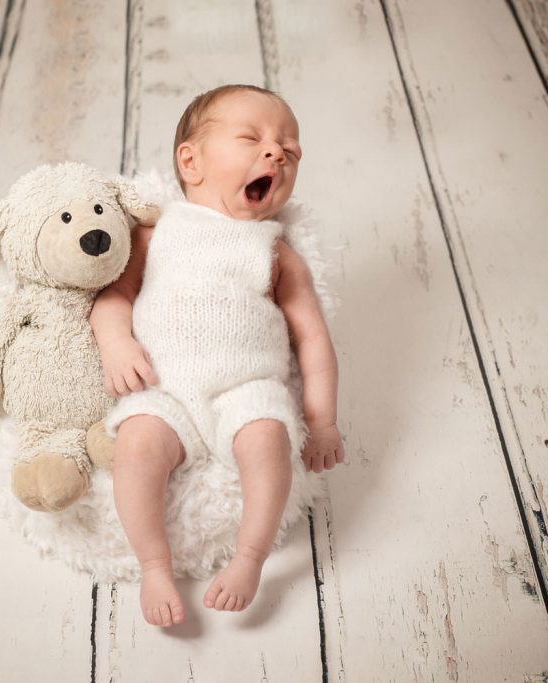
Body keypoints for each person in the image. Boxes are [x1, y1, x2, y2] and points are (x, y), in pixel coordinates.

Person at [89, 84, 343, 627]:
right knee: (136, 449)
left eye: (290, 150)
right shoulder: (156, 234)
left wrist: (321, 422)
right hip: (164, 388)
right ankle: (154, 564)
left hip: (245, 388)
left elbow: (313, 340)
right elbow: (114, 295)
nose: (276, 152)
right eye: (251, 139)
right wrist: (116, 341)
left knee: (270, 440)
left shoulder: (277, 252)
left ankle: (250, 558)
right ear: (192, 160)